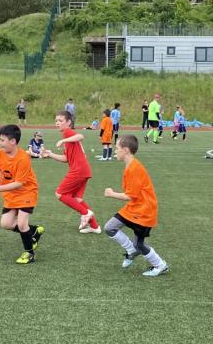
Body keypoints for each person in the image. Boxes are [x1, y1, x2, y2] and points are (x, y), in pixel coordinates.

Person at [102, 134, 169, 277]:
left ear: (126, 150)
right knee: (110, 228)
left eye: (117, 148)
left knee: (139, 244)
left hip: (144, 211)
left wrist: (111, 193)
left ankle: (160, 265)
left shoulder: (134, 169)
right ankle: (131, 250)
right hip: (134, 207)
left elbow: (129, 196)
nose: (115, 151)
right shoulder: (130, 166)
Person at [0, 124, 43, 264]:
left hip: (27, 192)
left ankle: (29, 253)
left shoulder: (23, 158)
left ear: (12, 141)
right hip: (10, 193)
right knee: (6, 224)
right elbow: (0, 169)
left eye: (2, 140)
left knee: (22, 224)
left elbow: (19, 183)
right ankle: (34, 231)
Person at [39, 111, 101, 234]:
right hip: (84, 170)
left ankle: (85, 213)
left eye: (60, 121)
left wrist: (63, 141)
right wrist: (50, 154)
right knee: (77, 199)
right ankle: (95, 227)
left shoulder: (67, 132)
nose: (57, 123)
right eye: (56, 121)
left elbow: (81, 136)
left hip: (79, 170)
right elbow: (65, 159)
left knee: (60, 194)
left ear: (68, 122)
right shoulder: (66, 137)